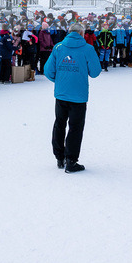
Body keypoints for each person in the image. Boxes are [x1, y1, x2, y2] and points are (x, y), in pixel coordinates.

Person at [45, 22, 101, 173]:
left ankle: (59, 157)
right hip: (79, 96)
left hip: (61, 94)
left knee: (59, 124)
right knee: (75, 128)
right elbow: (95, 72)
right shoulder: (88, 49)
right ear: (82, 34)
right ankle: (71, 161)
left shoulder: (58, 47)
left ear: (69, 33)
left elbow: (48, 71)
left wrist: (61, 81)